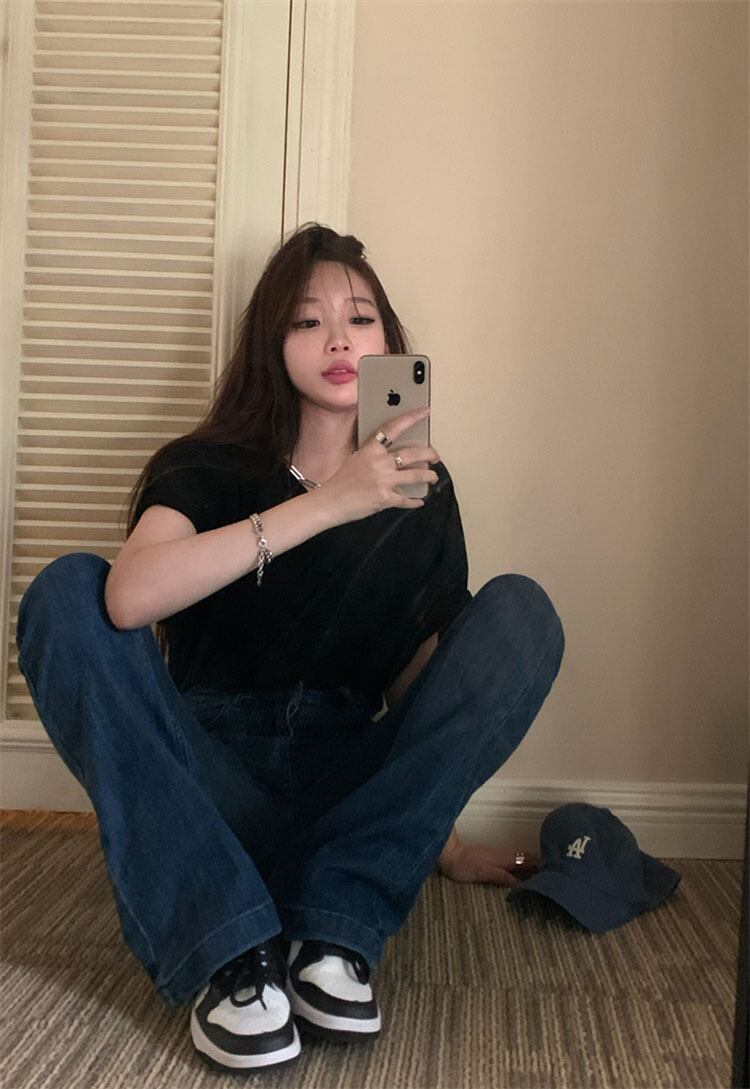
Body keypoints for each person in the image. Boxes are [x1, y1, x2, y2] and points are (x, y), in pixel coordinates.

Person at [16, 223, 565, 1073]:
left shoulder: (420, 490)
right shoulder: (207, 465)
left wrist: (444, 842)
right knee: (65, 591)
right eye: (308, 321)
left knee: (521, 614)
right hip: (211, 785)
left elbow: (423, 689)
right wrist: (332, 502)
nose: (340, 339)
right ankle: (228, 948)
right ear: (273, 346)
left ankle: (335, 925)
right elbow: (128, 597)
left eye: (361, 318)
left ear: (390, 344)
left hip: (347, 793)